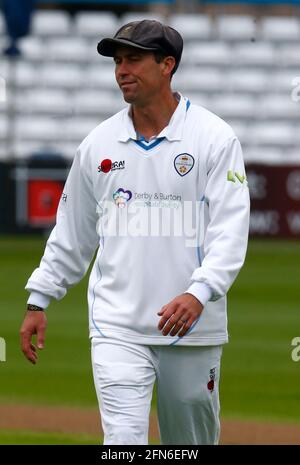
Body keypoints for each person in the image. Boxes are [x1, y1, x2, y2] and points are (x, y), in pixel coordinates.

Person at [20, 19, 250, 445]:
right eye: (118, 60)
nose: (122, 70)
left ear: (167, 65)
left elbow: (231, 231)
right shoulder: (98, 144)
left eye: (134, 59)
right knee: (123, 442)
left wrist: (199, 292)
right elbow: (72, 233)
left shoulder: (215, 138)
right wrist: (39, 298)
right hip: (116, 326)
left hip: (191, 329)